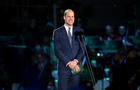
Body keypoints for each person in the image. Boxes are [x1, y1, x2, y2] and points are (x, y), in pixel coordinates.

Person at [52, 9, 85, 90]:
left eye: (73, 16)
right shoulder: (57, 32)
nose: (71, 18)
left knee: (75, 88)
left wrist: (75, 61)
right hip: (64, 68)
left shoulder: (79, 31)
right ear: (64, 17)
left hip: (76, 67)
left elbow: (83, 49)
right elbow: (57, 51)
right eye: (69, 16)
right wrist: (69, 62)